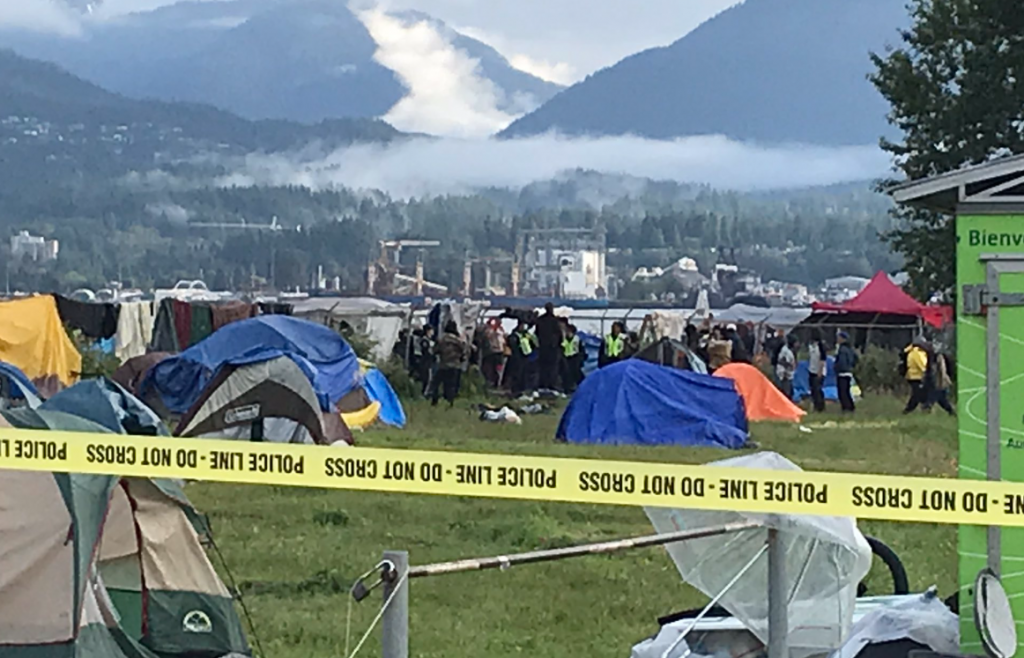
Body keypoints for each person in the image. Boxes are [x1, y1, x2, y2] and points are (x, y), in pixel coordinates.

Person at [431, 321, 469, 407]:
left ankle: (434, 400)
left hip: (443, 365)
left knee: (436, 383)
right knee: (451, 385)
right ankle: (450, 402)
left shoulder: (441, 340)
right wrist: (460, 359)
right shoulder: (458, 341)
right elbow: (464, 353)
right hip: (455, 365)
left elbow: (435, 351)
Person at [534, 302, 564, 390]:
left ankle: (543, 384)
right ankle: (550, 384)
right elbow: (559, 334)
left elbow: (537, 333)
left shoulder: (540, 320)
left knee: (543, 367)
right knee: (552, 367)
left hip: (544, 347)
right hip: (551, 348)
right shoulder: (554, 320)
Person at [507, 320, 536, 395]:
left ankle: (523, 388)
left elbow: (532, 343)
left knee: (525, 374)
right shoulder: (515, 335)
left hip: (526, 356)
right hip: (518, 357)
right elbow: (513, 344)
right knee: (518, 374)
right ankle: (516, 390)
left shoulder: (525, 335)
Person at [903, 337, 931, 413]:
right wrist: (927, 370)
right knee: (917, 395)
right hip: (916, 376)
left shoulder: (913, 351)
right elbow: (921, 364)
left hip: (913, 375)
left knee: (918, 394)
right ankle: (908, 410)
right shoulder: (917, 352)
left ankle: (910, 410)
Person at [926, 347, 956, 416]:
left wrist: (943, 380)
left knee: (935, 397)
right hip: (939, 382)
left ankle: (928, 407)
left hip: (940, 382)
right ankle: (951, 412)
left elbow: (942, 370)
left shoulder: (939, 357)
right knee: (942, 400)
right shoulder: (936, 357)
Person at [834, 331, 859, 413]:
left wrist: (837, 368)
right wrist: (851, 366)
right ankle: (850, 406)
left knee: (842, 392)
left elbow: (841, 361)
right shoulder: (850, 349)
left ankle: (846, 408)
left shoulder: (842, 349)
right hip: (848, 372)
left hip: (842, 373)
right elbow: (856, 358)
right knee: (847, 391)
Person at [560, 322, 586, 393]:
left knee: (576, 373)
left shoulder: (577, 339)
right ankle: (567, 389)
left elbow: (581, 350)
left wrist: (580, 359)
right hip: (566, 358)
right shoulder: (563, 339)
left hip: (575, 358)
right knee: (566, 374)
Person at [480, 318, 506, 388]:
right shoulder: (488, 330)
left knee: (498, 368)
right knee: (489, 368)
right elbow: (486, 336)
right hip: (491, 352)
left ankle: (497, 383)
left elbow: (503, 339)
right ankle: (490, 382)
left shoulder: (501, 330)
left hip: (499, 352)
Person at [808, 329, 827, 412]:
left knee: (817, 389)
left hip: (819, 371)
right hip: (811, 370)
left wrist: (820, 371)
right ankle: (815, 405)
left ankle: (820, 406)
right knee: (813, 389)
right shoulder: (811, 346)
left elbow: (823, 360)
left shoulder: (821, 346)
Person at [775, 334, 798, 401]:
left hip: (789, 374)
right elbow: (782, 361)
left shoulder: (790, 350)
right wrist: (789, 368)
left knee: (790, 392)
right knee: (786, 393)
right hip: (785, 374)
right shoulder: (785, 351)